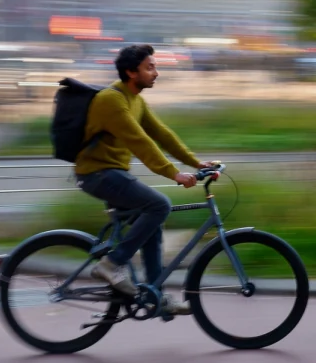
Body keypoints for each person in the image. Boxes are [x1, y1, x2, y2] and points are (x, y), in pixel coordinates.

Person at [75, 44, 213, 313]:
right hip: (96, 174)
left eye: (155, 66)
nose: (156, 72)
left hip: (113, 173)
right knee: (159, 205)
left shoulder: (135, 98)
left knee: (151, 225)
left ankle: (154, 296)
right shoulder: (111, 100)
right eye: (150, 67)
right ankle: (111, 264)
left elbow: (161, 134)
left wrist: (195, 162)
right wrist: (173, 173)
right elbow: (140, 142)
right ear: (131, 71)